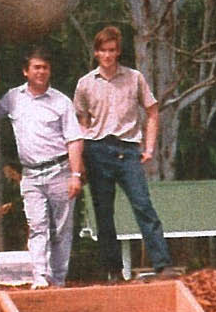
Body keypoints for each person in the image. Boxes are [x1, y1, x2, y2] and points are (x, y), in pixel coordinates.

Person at [74, 25, 176, 281]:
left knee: (143, 206)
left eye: (112, 50)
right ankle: (114, 271)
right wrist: (82, 158)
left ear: (118, 52)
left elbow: (152, 111)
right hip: (97, 150)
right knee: (104, 213)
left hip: (128, 149)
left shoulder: (134, 78)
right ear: (96, 53)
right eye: (103, 51)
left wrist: (149, 147)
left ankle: (163, 265)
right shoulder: (85, 84)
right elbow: (81, 120)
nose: (107, 56)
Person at [0, 47, 84, 288]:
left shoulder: (61, 101)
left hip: (60, 171)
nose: (41, 72)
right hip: (31, 174)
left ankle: (59, 279)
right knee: (37, 226)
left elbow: (74, 139)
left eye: (45, 67)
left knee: (62, 230)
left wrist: (75, 175)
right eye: (36, 67)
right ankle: (40, 277)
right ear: (26, 71)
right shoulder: (13, 98)